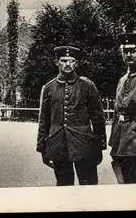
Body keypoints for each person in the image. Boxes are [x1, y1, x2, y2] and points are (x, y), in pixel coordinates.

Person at [36, 46, 107, 186]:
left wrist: (99, 146)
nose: (68, 64)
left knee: (89, 186)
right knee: (63, 187)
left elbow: (98, 118)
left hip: (84, 145)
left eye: (72, 61)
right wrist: (42, 148)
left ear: (77, 63)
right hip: (58, 145)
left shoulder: (87, 86)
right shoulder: (48, 88)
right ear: (57, 62)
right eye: (63, 60)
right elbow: (44, 120)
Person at [108, 33, 136, 184]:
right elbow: (116, 112)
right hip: (121, 139)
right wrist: (113, 141)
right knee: (125, 182)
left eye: (133, 50)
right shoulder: (122, 80)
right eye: (125, 51)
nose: (128, 54)